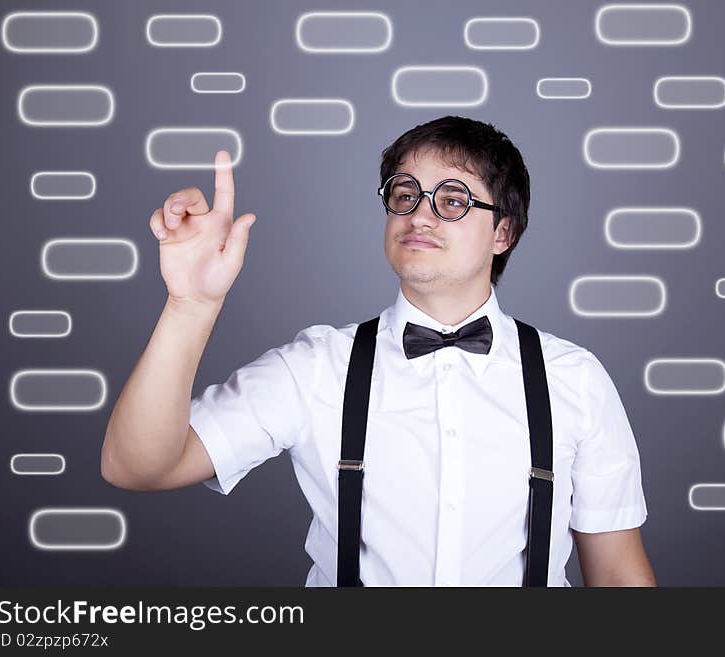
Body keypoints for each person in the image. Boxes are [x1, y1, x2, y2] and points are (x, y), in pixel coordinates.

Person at [101, 115, 656, 587]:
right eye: (405, 193)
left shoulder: (574, 378)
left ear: (503, 233)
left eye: (454, 200)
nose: (420, 213)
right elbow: (137, 466)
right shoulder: (317, 366)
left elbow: (617, 576)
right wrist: (191, 303)